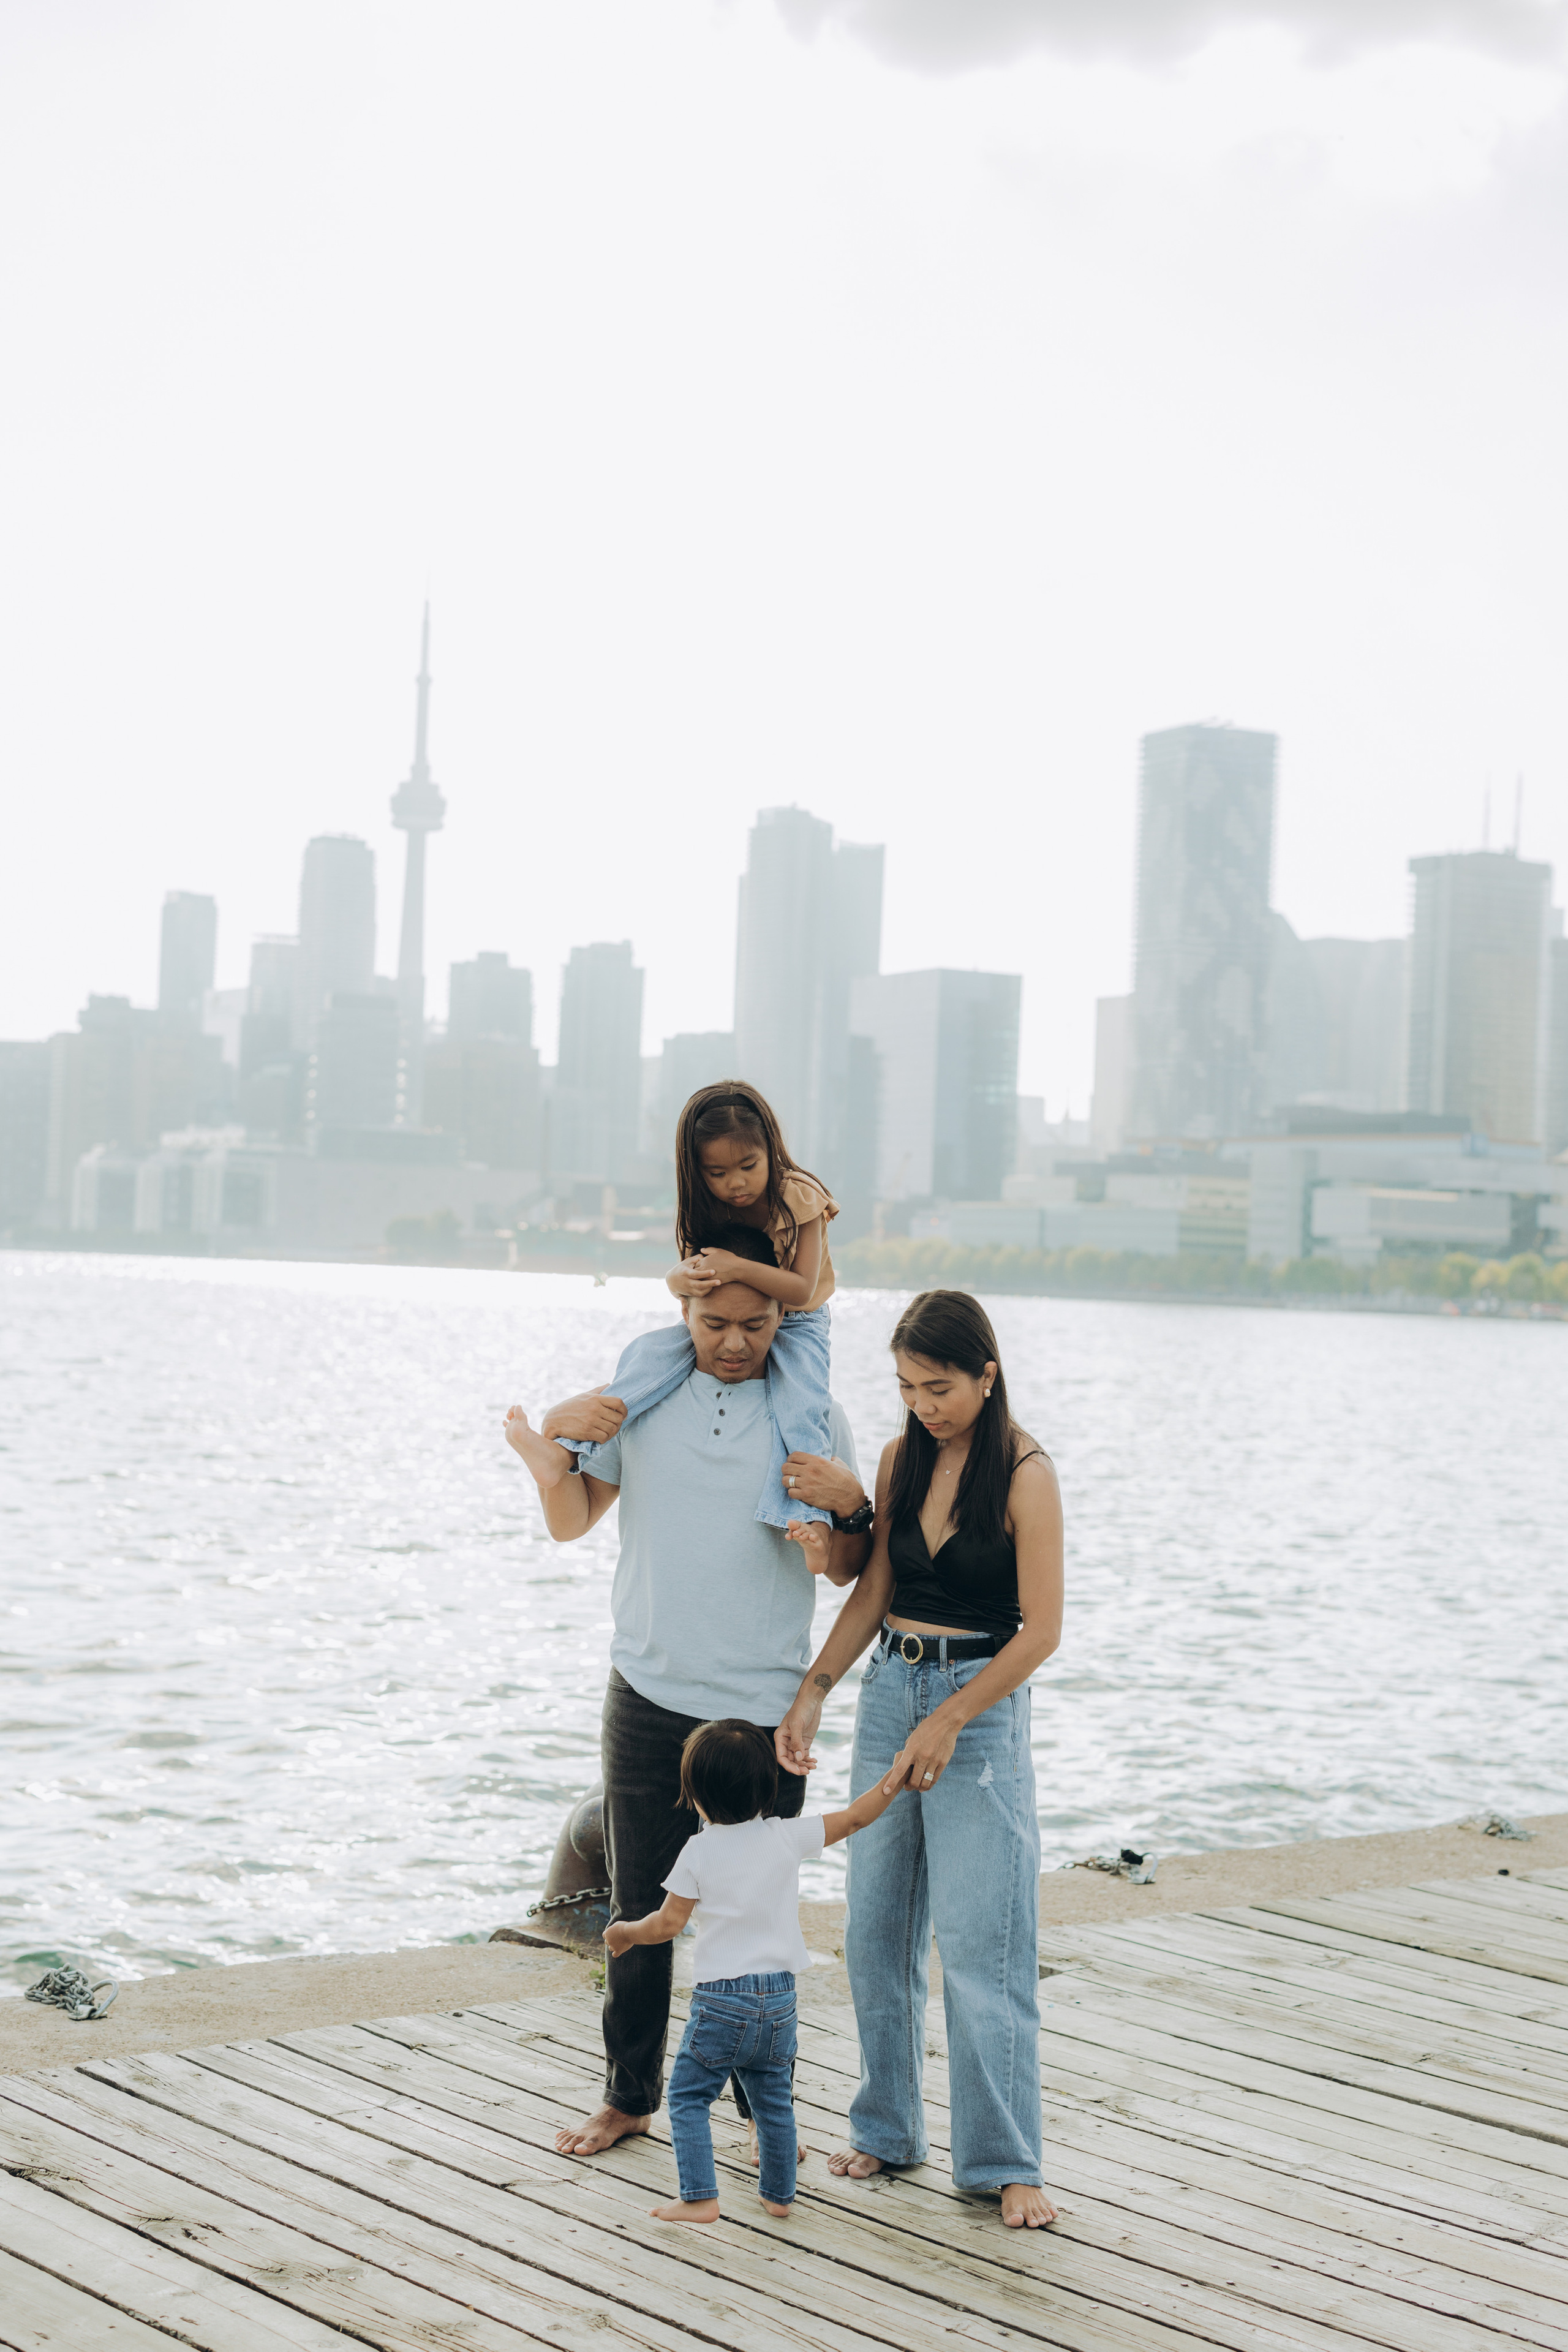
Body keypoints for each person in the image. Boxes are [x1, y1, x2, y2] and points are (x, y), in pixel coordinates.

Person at [502, 1223, 873, 2157]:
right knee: (638, 1907)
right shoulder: (645, 1401)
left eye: (757, 1324)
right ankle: (629, 2097)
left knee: (756, 1925)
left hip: (761, 1712)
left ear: (786, 1316)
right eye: (715, 1323)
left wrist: (841, 1525)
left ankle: (762, 2111)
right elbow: (573, 1523)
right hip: (648, 1691)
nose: (738, 1342)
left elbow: (852, 1571)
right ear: (684, 1311)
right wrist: (555, 1462)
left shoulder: (813, 1418)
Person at [774, 1289, 1065, 2231]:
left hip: (978, 1713)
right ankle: (889, 2128)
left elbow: (1042, 1631)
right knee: (876, 1929)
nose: (923, 1405)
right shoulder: (901, 1456)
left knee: (984, 1943)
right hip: (891, 1688)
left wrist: (953, 1719)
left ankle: (1005, 2161)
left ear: (987, 1376)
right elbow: (876, 1590)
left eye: (939, 1387)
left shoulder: (1025, 1473)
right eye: (906, 1387)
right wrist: (816, 1688)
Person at [606, 1716, 903, 2223]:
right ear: (769, 1788)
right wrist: (896, 1774)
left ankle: (700, 2197)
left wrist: (626, 1933)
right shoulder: (786, 1836)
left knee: (687, 2098)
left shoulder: (698, 1850)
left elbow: (667, 1924)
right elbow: (856, 1817)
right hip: (781, 1999)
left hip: (723, 2001)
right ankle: (778, 2196)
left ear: (695, 1796)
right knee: (772, 2102)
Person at [537, 1082, 840, 1531]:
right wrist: (675, 1278)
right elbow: (688, 1278)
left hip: (801, 1320)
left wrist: (735, 1268)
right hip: (736, 1303)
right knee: (647, 1360)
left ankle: (804, 1517)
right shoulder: (706, 1206)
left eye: (748, 1166)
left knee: (802, 1406)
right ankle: (572, 1450)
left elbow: (799, 1290)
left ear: (771, 1151)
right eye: (717, 1173)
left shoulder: (798, 1195)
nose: (735, 1184)